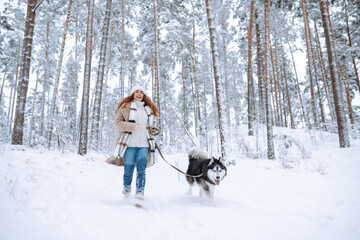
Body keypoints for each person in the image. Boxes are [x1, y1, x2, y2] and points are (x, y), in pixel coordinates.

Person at [113, 86, 159, 200]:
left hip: (144, 145)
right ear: (132, 94)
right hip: (129, 145)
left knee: (141, 170)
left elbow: (146, 126)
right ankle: (127, 189)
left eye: (141, 92)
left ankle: (139, 194)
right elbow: (118, 124)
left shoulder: (148, 109)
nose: (139, 94)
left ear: (144, 95)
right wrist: (132, 126)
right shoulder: (125, 107)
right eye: (136, 92)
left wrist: (152, 129)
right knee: (128, 169)